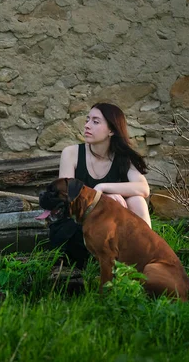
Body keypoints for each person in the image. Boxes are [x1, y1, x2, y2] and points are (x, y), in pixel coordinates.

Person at [48, 102, 151, 268]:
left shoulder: (123, 157)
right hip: (77, 225)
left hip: (110, 227)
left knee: (137, 201)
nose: (87, 125)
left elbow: (143, 188)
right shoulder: (72, 153)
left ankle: (145, 257)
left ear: (111, 130)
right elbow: (67, 199)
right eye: (88, 120)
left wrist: (103, 188)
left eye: (95, 122)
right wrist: (103, 199)